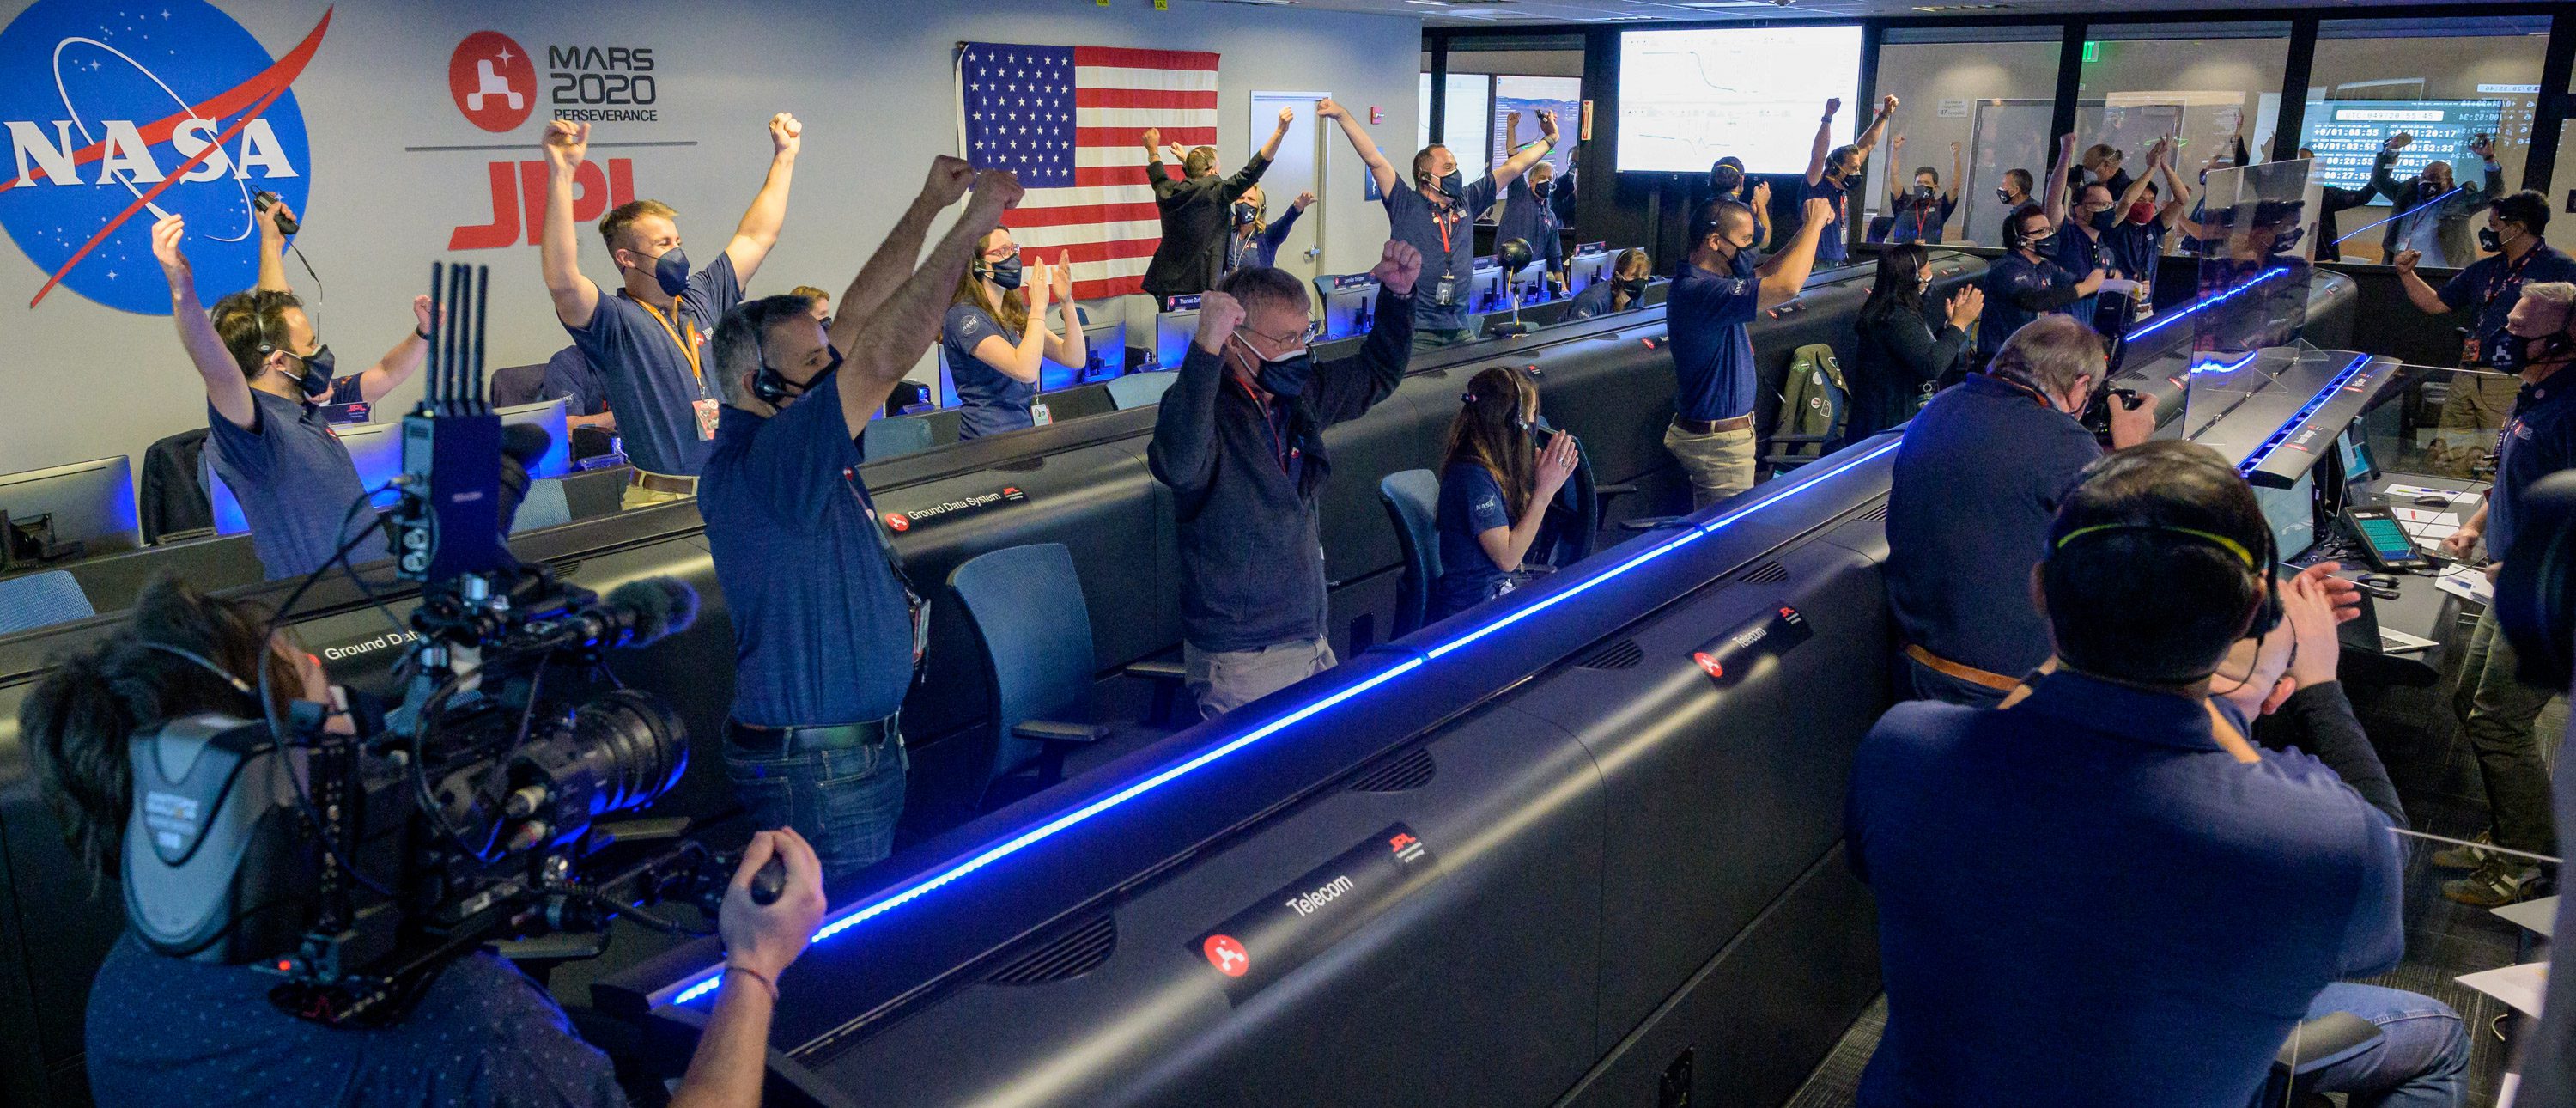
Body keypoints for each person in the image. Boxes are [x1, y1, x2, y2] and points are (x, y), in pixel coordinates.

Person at [18, 575, 833, 1108]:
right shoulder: (465, 1033)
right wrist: (754, 964)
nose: (364, 729)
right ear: (278, 786)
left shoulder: (126, 988)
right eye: (331, 707)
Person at [1849, 441, 2465, 1107]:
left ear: (2039, 590)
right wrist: (2317, 683)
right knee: (2440, 1036)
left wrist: (2231, 689)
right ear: (2253, 611)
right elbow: (2382, 874)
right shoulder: (2321, 837)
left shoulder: (1901, 749)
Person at [700, 157, 1021, 880]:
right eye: (814, 365)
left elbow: (857, 321)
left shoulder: (788, 438)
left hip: (843, 757)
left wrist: (928, 204)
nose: (832, 372)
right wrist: (972, 225)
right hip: (822, 773)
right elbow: (879, 356)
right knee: (840, 935)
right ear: (757, 383)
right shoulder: (770, 461)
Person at [1148, 241, 1421, 718]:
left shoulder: (1296, 397)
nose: (1300, 351)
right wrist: (1205, 350)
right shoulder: (1201, 407)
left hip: (1309, 639)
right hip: (1243, 659)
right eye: (1286, 339)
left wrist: (1398, 299)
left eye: (1304, 334)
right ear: (1235, 340)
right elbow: (1178, 464)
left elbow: (1377, 372)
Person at [145, 212, 434, 581]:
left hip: (376, 586)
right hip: (322, 602)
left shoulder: (307, 399)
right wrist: (182, 292)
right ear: (279, 361)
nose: (319, 352)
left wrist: (270, 241)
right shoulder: (255, 434)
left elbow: (385, 371)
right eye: (310, 345)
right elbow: (218, 371)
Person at [1886, 314, 2152, 704]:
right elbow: (2133, 552)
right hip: (2005, 692)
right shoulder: (2066, 443)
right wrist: (2132, 453)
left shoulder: (1938, 408)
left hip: (1910, 671)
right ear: (2080, 386)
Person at [539, 114, 800, 507]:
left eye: (678, 241)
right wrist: (561, 175)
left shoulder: (701, 296)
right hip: (661, 499)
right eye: (663, 244)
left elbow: (756, 236)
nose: (678, 252)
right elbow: (563, 280)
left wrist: (785, 157)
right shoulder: (613, 321)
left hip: (732, 490)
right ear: (626, 258)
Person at [2430, 279, 2576, 907]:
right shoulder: (2534, 391)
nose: (2503, 337)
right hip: (2515, 584)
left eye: (2519, 329)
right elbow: (2517, 479)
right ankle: (2513, 836)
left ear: (2565, 337)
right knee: (2472, 700)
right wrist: (2475, 526)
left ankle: (2522, 865)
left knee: (2499, 721)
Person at [1322, 97, 1554, 350]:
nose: (1456, 173)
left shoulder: (1467, 200)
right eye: (1448, 167)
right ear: (1425, 176)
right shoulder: (1405, 203)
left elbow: (1514, 166)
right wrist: (1342, 115)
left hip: (1459, 327)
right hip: (1416, 331)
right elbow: (1374, 159)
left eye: (1456, 167)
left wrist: (1550, 139)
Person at [1662, 194, 1838, 508]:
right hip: (1720, 447)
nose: (1750, 250)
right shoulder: (1699, 290)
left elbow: (1767, 273)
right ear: (1715, 241)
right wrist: (1813, 224)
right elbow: (1786, 286)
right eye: (1744, 241)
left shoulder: (1710, 281)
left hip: (1719, 439)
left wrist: (1807, 230)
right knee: (1727, 536)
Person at [2391, 190, 2576, 437]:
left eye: (2495, 226)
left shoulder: (2560, 269)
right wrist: (2406, 274)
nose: (2489, 232)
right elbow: (2435, 303)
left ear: (2517, 228)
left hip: (2513, 378)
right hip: (2468, 372)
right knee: (2451, 451)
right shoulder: (2486, 268)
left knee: (2498, 451)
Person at [1429, 367, 1580, 623]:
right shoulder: (1474, 477)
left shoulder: (1488, 466)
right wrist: (1544, 492)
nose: (1534, 425)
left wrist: (1534, 481)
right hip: (1477, 612)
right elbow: (1508, 558)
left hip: (1494, 594)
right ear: (1512, 423)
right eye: (1531, 414)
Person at [943, 230, 1084, 440]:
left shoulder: (1011, 313)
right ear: (977, 263)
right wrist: (1038, 308)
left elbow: (1074, 357)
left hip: (1023, 432)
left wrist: (1066, 301)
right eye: (1001, 252)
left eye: (1012, 249)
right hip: (988, 440)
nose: (1011, 257)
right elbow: (1024, 369)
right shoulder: (964, 317)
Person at [1140, 108, 1291, 302]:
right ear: (1212, 171)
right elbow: (1253, 170)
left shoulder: (1168, 192)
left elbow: (1159, 177)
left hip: (1166, 285)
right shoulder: (1217, 194)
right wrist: (1279, 132)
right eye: (1218, 167)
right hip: (1202, 288)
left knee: (1170, 324)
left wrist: (1153, 150)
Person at [1848, 244, 1980, 443]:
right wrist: (1959, 325)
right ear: (1915, 277)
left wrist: (1950, 327)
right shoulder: (1896, 317)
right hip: (1886, 431)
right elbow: (1931, 365)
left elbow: (1918, 350)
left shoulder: (1895, 310)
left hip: (1888, 424)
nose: (1931, 275)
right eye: (1928, 268)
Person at [1978, 204, 2105, 366]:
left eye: (2049, 230)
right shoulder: (2007, 268)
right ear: (2021, 240)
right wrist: (2085, 287)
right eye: (2042, 231)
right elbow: (2034, 301)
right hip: (2000, 361)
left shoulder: (2045, 266)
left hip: (2031, 359)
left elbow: (2075, 285)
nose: (2049, 236)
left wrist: (2102, 280)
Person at [2372, 131, 2506, 270]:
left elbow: (2493, 194)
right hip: (2403, 270)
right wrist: (2392, 150)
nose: (2427, 182)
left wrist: (2489, 158)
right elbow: (2379, 180)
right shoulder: (2407, 196)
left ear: (2450, 181)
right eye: (2423, 177)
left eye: (2434, 177)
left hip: (2444, 273)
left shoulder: (2460, 200)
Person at [1801, 94, 1897, 266]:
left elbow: (1867, 145)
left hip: (1839, 263)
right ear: (1835, 168)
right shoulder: (1816, 185)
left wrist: (1884, 114)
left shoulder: (1841, 189)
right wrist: (1827, 117)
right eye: (1853, 168)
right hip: (1818, 266)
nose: (1857, 172)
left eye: (1858, 168)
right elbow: (1818, 156)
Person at [537, 345, 619, 460]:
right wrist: (629, 413)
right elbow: (570, 430)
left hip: (627, 457)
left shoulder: (635, 361)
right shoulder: (565, 363)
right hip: (579, 462)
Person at [1883, 136, 1960, 245]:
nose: (1922, 185)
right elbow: (1893, 177)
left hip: (1930, 253)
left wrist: (1956, 157)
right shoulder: (1904, 202)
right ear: (1914, 185)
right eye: (1919, 183)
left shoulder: (1941, 206)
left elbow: (1955, 186)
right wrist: (1894, 150)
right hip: (1904, 252)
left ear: (1935, 187)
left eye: (1927, 183)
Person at [1225, 185, 1314, 276]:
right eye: (1241, 198)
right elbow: (1221, 200)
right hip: (1229, 284)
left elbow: (1285, 222)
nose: (1245, 202)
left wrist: (1296, 208)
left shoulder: (1267, 235)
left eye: (1251, 199)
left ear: (1260, 207)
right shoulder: (1229, 231)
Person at [1564, 247, 1651, 321]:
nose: (1640, 281)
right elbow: (1576, 333)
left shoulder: (1637, 298)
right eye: (1634, 276)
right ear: (1618, 275)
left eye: (1644, 275)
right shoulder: (1592, 300)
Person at [1708, 156, 1773, 252]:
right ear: (1741, 180)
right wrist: (1761, 205)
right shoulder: (1740, 212)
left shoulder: (1702, 209)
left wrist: (1752, 215)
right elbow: (1764, 242)